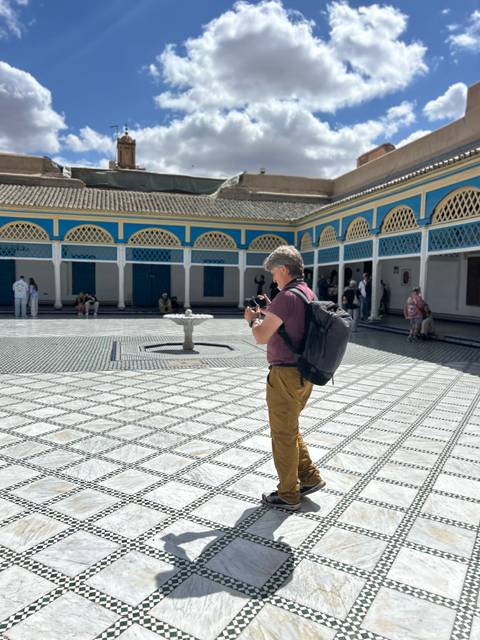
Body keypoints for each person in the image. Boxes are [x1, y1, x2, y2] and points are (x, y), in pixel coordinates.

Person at [244, 245, 325, 511]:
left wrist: (252, 320)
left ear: (282, 269)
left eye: (274, 273)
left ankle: (288, 493)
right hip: (304, 374)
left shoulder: (286, 296)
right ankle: (309, 477)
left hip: (285, 375)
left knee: (282, 433)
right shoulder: (305, 292)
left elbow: (261, 336)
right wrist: (271, 311)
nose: (273, 279)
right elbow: (291, 323)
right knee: (290, 428)